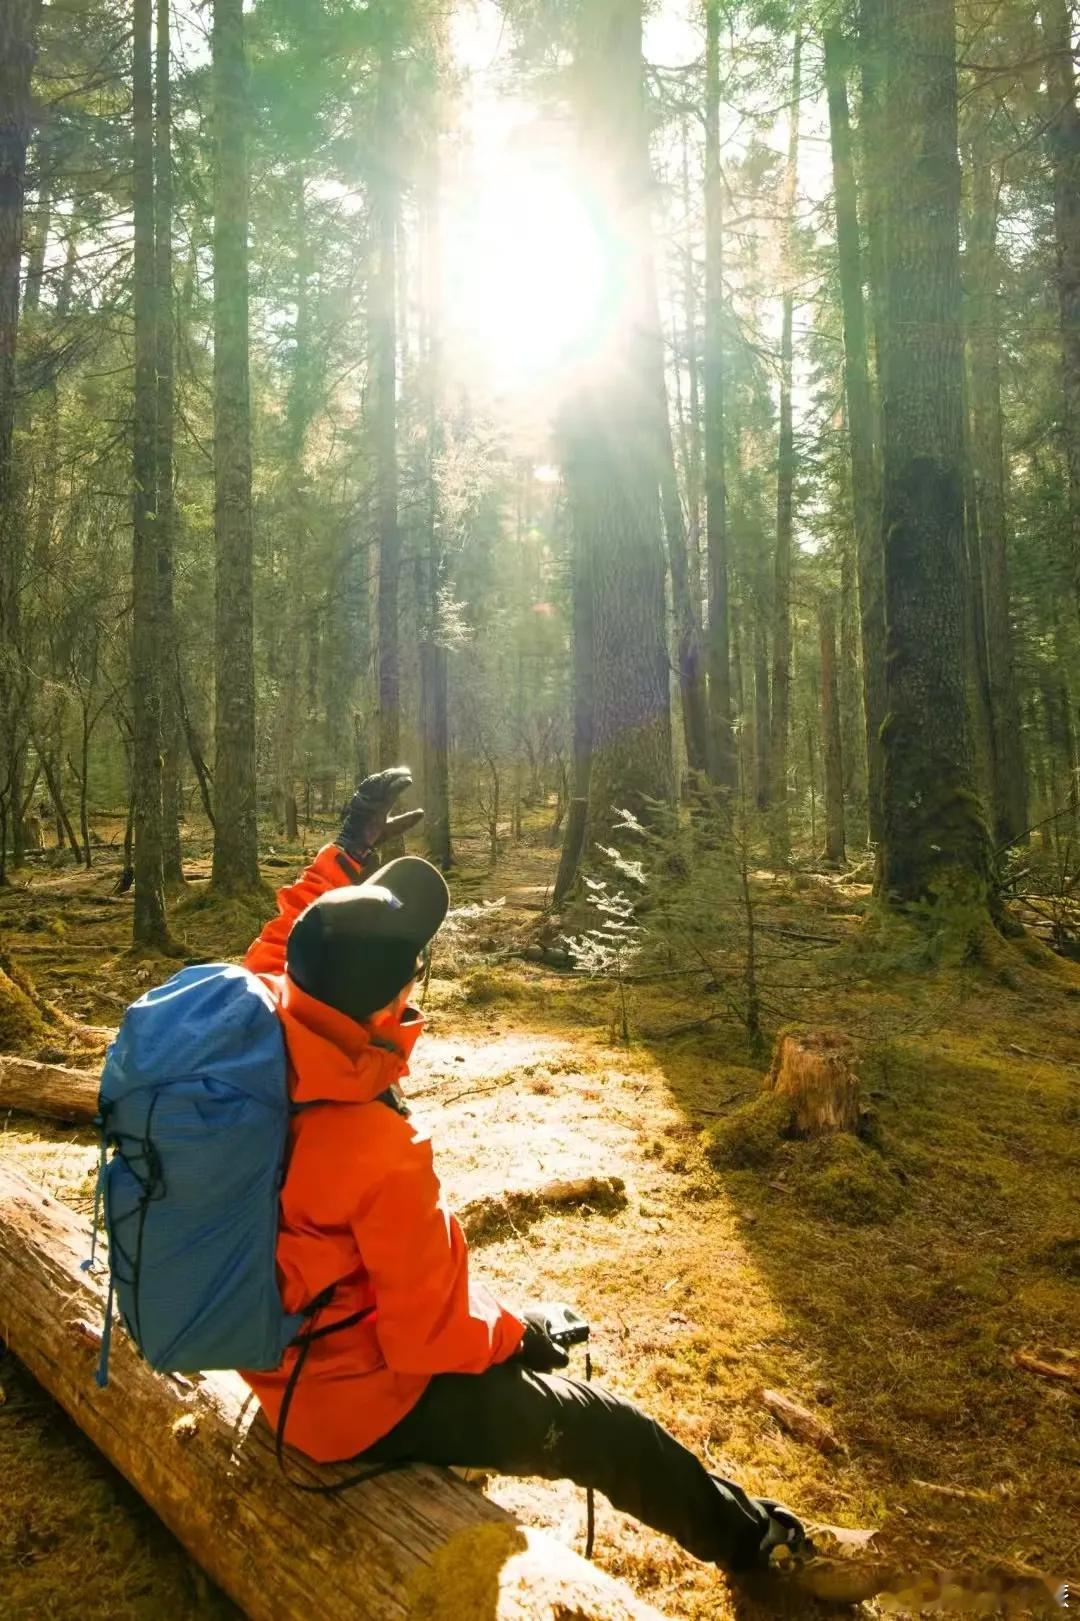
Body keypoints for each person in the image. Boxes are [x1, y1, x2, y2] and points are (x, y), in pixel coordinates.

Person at [239, 768, 809, 1576]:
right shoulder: (378, 1149)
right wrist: (519, 1335)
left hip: (279, 1359)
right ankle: (758, 1544)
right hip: (346, 1407)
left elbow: (284, 936)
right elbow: (425, 1338)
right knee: (602, 1428)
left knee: (498, 1333)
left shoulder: (258, 1024)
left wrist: (346, 852)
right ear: (388, 1003)